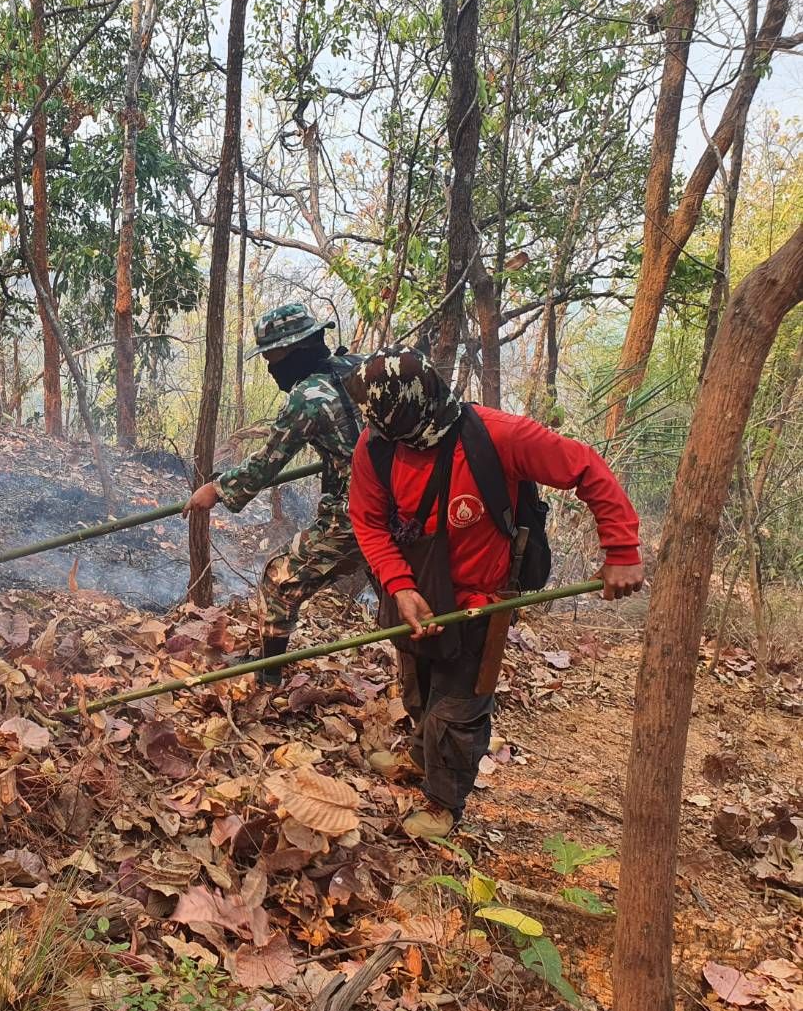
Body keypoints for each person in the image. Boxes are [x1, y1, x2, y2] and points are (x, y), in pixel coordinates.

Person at [345, 346, 644, 840]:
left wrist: (622, 549)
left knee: (457, 706)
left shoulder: (496, 436)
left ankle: (444, 802)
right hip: (415, 591)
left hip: (480, 601)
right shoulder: (376, 446)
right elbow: (369, 522)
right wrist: (399, 586)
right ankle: (420, 757)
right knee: (418, 684)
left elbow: (586, 468)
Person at [184, 304, 365, 684]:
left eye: (272, 358)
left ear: (295, 349)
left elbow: (267, 462)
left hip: (360, 514)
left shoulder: (307, 397)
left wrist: (216, 489)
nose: (270, 368)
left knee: (279, 580)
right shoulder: (356, 368)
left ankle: (268, 678)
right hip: (407, 502)